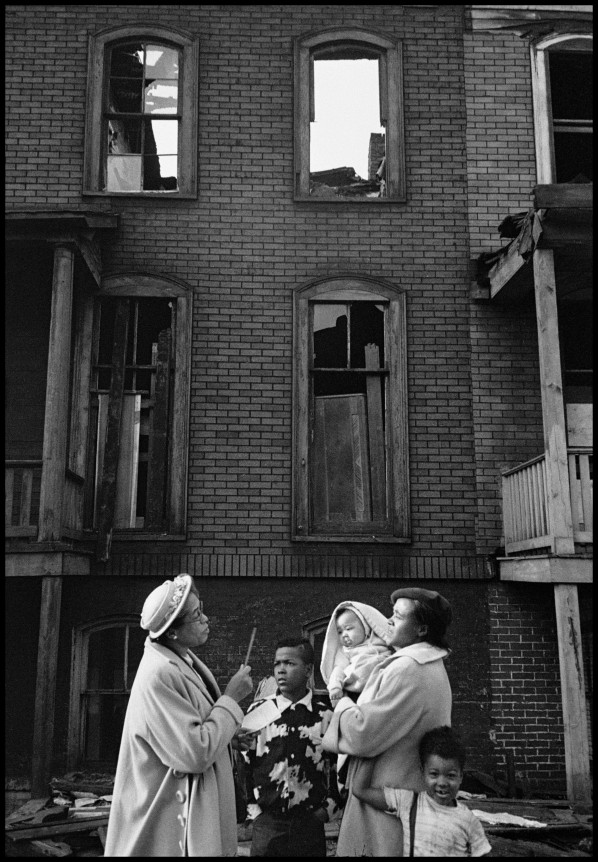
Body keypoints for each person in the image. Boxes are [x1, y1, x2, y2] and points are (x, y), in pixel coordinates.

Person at [104, 574, 253, 857]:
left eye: (202, 609)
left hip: (188, 812)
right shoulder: (159, 674)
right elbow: (193, 752)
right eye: (197, 615)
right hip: (169, 822)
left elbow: (186, 731)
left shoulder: (181, 659)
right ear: (172, 632)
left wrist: (227, 739)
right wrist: (231, 700)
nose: (206, 619)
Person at [322, 587, 453, 856]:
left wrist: (340, 704)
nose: (389, 621)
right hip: (397, 798)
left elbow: (363, 733)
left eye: (398, 616)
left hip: (385, 802)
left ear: (421, 629)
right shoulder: (427, 664)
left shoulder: (408, 668)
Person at [240, 637, 342, 857]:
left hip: (309, 823)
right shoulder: (259, 712)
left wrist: (326, 810)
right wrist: (254, 811)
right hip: (267, 823)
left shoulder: (324, 715)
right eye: (277, 664)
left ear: (308, 670)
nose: (281, 670)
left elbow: (336, 767)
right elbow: (243, 764)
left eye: (289, 663)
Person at [352, 726, 492, 857]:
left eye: (450, 775)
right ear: (422, 772)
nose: (442, 783)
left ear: (461, 776)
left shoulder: (468, 820)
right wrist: (374, 746)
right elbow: (360, 790)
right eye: (434, 774)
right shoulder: (409, 804)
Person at [320, 601, 393, 706]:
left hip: (383, 683)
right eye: (339, 632)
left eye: (348, 629)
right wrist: (335, 687)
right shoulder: (345, 651)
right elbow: (338, 669)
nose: (344, 635)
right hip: (359, 687)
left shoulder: (379, 640)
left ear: (365, 626)